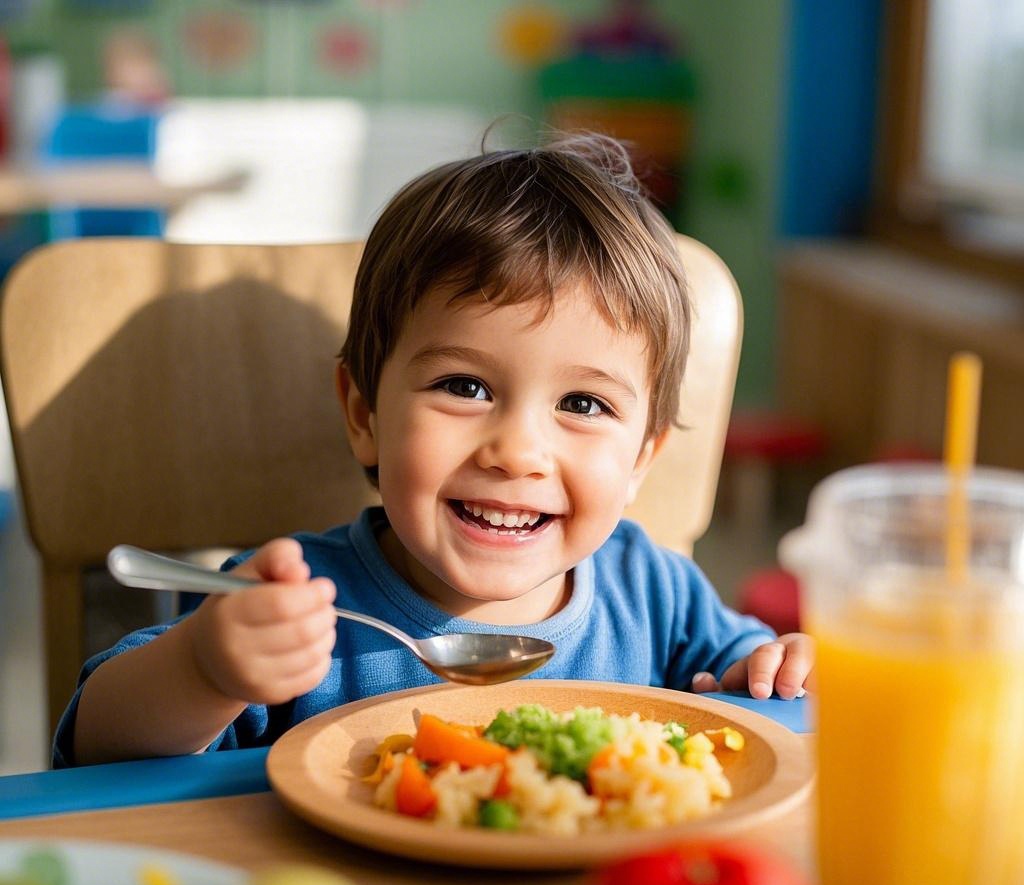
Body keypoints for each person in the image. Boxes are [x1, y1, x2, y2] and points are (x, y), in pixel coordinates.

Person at [58, 132, 812, 768]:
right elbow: (95, 751)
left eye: (582, 404)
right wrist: (204, 670)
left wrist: (771, 673)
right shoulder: (296, 599)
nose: (517, 452)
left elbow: (760, 689)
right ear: (364, 414)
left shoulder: (655, 592)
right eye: (465, 386)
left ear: (642, 457)